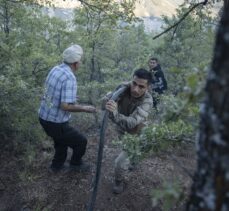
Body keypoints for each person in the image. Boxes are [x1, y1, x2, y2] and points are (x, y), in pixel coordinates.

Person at [38, 44, 96, 173]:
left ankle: (56, 167)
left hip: (43, 117)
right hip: (55, 122)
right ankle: (75, 164)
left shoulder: (56, 69)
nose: (80, 63)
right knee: (81, 142)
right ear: (75, 63)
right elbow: (64, 106)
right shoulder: (70, 77)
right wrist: (85, 108)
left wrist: (71, 98)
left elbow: (52, 92)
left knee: (61, 141)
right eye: (80, 61)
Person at [104, 68, 153, 194]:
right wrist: (107, 100)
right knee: (127, 152)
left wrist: (114, 112)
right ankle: (133, 161)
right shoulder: (123, 88)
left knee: (120, 161)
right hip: (121, 129)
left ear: (148, 87)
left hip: (137, 133)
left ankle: (118, 182)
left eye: (141, 86)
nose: (136, 89)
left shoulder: (147, 101)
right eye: (134, 83)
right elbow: (107, 102)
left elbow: (131, 123)